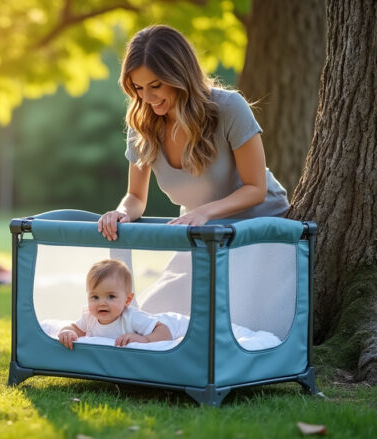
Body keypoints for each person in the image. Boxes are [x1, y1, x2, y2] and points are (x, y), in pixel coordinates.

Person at [98, 25, 289, 241]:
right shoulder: (141, 124)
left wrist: (203, 212)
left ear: (180, 75)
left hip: (260, 229)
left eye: (156, 85)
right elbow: (135, 197)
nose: (147, 97)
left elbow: (256, 188)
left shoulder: (229, 108)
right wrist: (121, 212)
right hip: (202, 232)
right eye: (138, 88)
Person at [57, 259, 174, 350]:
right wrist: (67, 332)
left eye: (111, 296)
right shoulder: (89, 316)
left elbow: (165, 332)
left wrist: (144, 339)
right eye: (95, 297)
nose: (101, 303)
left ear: (127, 300)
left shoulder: (132, 317)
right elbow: (76, 329)